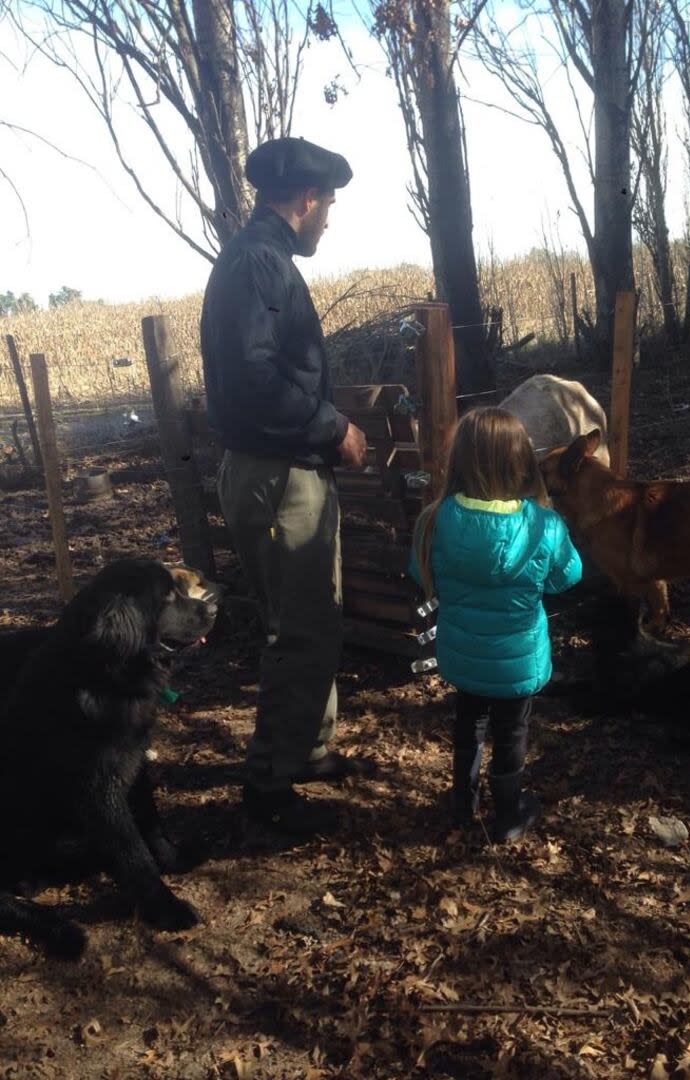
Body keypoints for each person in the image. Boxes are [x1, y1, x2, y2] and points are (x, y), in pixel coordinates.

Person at [200, 136, 372, 836]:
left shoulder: (255, 260)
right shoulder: (260, 266)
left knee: (312, 618)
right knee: (297, 630)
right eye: (328, 204)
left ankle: (310, 749)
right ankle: (270, 785)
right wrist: (333, 428)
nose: (329, 218)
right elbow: (256, 378)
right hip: (279, 477)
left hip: (276, 474)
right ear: (306, 201)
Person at [411, 407, 582, 842]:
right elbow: (568, 576)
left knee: (469, 725)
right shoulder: (543, 524)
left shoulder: (434, 518)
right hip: (517, 661)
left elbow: (419, 571)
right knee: (512, 732)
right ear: (520, 458)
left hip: (462, 655)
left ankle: (462, 807)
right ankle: (507, 815)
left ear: (461, 459)